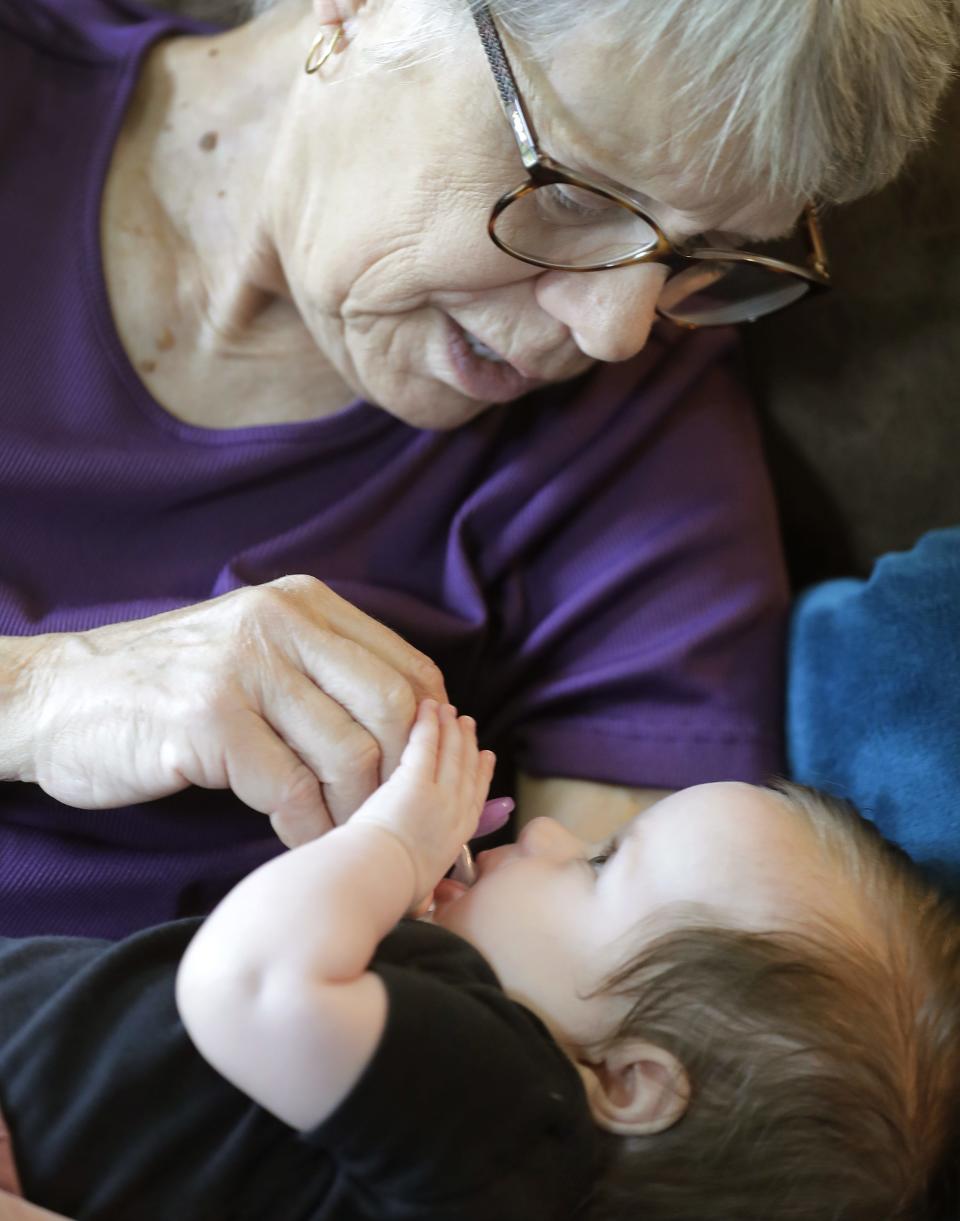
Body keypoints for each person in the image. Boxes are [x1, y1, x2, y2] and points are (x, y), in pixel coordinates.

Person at [1, 0, 956, 939]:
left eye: (700, 256)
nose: (617, 331)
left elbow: (605, 1026)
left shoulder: (636, 447)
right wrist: (38, 695)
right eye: (576, 195)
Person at [0, 699, 957, 1221]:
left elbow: (249, 985)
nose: (547, 831)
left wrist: (396, 846)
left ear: (625, 1080)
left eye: (601, 864)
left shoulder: (513, 1110)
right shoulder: (486, 1154)